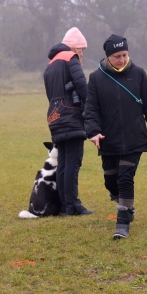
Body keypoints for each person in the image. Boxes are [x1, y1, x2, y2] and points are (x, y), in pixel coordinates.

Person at [84, 35, 147, 240]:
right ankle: (126, 207)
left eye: (125, 55)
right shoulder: (96, 78)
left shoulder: (138, 74)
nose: (122, 59)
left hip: (134, 138)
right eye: (117, 56)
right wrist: (93, 132)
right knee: (111, 182)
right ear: (108, 57)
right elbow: (90, 110)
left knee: (125, 178)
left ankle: (122, 223)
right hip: (108, 139)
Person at [43, 27, 92, 216]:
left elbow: (50, 93)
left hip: (54, 114)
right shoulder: (70, 58)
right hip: (71, 114)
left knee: (63, 161)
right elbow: (81, 84)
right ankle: (72, 205)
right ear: (74, 46)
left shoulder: (51, 63)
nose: (82, 53)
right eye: (81, 49)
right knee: (73, 161)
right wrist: (89, 107)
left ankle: (67, 205)